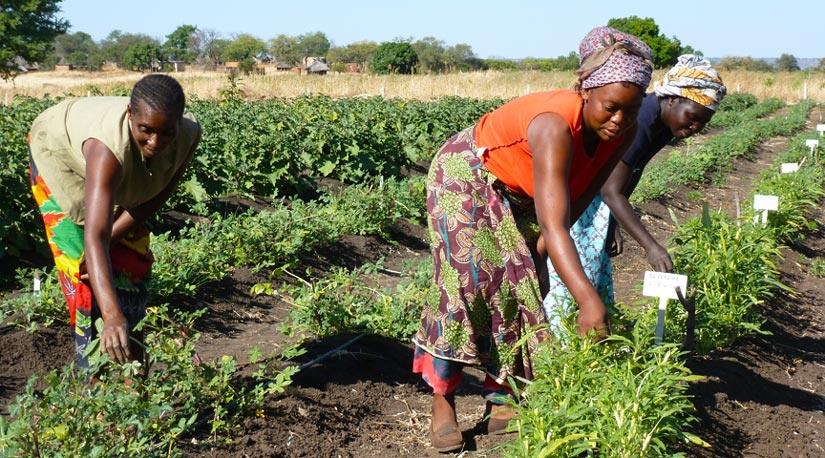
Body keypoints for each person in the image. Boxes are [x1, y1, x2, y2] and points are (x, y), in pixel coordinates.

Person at [411, 26, 653, 452]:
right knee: (467, 287)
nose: (619, 121)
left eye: (631, 112)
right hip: (468, 177)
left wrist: (541, 253)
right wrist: (588, 299)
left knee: (525, 287)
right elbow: (555, 222)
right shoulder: (554, 126)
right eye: (611, 108)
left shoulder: (625, 132)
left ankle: (503, 398)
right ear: (585, 90)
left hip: (524, 192)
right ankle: (442, 400)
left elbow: (578, 197)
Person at [28, 74, 201, 371]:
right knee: (81, 266)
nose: (156, 142)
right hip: (58, 154)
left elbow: (157, 194)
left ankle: (133, 379)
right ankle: (95, 382)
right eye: (145, 130)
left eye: (166, 132)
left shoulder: (187, 134)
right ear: (130, 114)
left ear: (178, 122)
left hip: (110, 162)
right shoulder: (105, 149)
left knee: (129, 264)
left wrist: (113, 239)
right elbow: (94, 236)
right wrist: (111, 315)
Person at [542, 55, 727, 331]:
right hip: (577, 197)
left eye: (703, 122)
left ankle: (585, 344)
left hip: (593, 196)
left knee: (591, 273)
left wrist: (612, 222)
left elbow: (625, 175)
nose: (695, 127)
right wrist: (651, 246)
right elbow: (611, 189)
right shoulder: (643, 119)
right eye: (693, 117)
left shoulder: (666, 122)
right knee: (572, 277)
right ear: (674, 99)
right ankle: (559, 345)